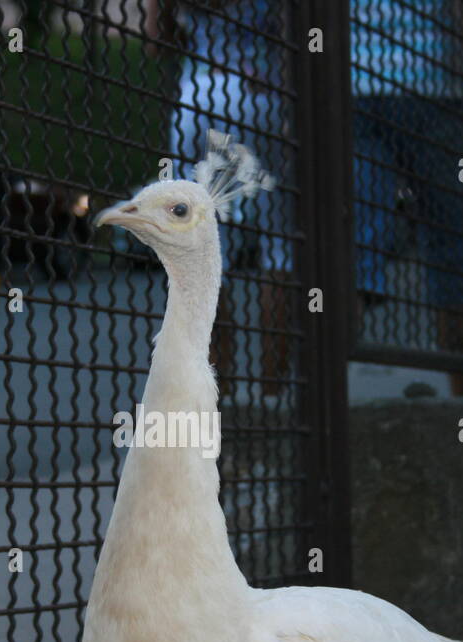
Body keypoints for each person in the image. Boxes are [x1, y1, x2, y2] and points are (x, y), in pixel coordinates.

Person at [350, 0, 463, 396]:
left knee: (348, 244)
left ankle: (331, 401)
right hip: (435, 82)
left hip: (348, 80)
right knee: (457, 241)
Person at [164, 0, 294, 402]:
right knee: (280, 245)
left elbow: (155, 34)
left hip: (199, 93)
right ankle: (271, 396)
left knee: (200, 247)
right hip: (263, 91)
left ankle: (218, 397)